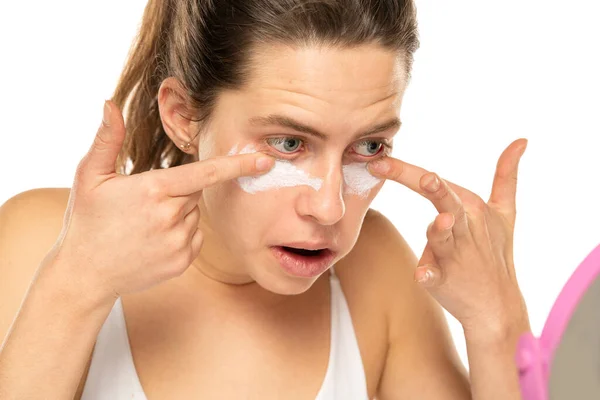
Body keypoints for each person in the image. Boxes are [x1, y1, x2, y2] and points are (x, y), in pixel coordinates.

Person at [0, 0, 531, 398]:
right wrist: (77, 285)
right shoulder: (41, 244)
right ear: (183, 116)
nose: (330, 208)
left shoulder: (381, 273)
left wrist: (496, 323)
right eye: (289, 143)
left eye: (367, 146)